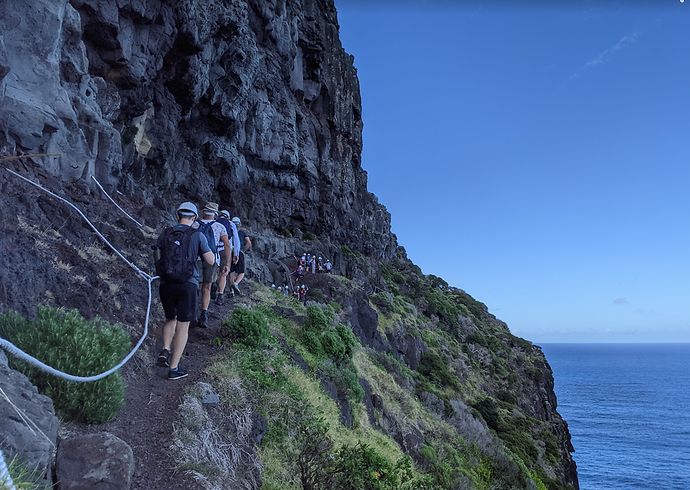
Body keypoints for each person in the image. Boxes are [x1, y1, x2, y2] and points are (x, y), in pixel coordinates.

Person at [155, 202, 214, 380]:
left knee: (170, 318)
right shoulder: (197, 235)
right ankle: (174, 368)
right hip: (187, 283)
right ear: (194, 218)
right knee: (183, 324)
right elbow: (210, 260)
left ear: (178, 215)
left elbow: (157, 257)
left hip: (166, 283)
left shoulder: (165, 234)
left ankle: (165, 349)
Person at [194, 202, 232, 328]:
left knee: (195, 285)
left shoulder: (195, 224)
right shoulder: (219, 226)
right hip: (211, 260)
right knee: (207, 287)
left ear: (204, 213)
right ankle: (204, 314)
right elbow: (227, 244)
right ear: (215, 214)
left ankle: (192, 311)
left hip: (196, 259)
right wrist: (226, 263)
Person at [215, 210, 241, 303]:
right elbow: (236, 239)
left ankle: (212, 287)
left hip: (214, 250)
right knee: (224, 273)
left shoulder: (215, 222)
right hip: (225, 251)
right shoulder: (230, 224)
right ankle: (220, 295)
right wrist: (236, 254)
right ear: (228, 217)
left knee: (214, 271)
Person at [229, 217, 251, 296]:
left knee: (232, 271)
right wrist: (244, 249)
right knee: (241, 272)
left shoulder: (229, 231)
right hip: (239, 252)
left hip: (230, 252)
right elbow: (248, 242)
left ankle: (231, 291)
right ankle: (236, 283)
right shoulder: (242, 232)